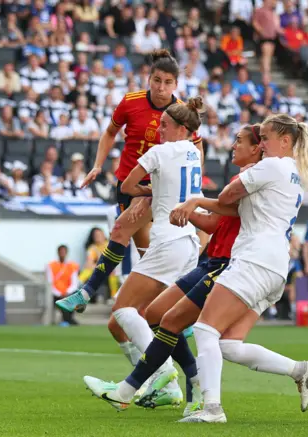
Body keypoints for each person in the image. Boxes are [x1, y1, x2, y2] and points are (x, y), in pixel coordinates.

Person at [170, 113, 308, 423]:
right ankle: (299, 370)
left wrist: (197, 199)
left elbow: (227, 196)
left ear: (285, 141)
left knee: (204, 329)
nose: (261, 144)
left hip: (256, 258)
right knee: (228, 344)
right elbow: (233, 206)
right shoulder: (295, 172)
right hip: (276, 267)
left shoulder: (271, 165)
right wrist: (203, 203)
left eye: (265, 138)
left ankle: (212, 409)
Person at [57, 49, 203, 316]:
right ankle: (176, 314)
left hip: (154, 190)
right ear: (148, 79)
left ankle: (88, 291)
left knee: (120, 232)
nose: (161, 88)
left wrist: (152, 194)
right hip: (128, 184)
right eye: (157, 80)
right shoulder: (131, 102)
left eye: (168, 82)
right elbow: (110, 132)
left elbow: (196, 152)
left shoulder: (181, 113)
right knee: (149, 254)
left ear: (176, 85)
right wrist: (98, 165)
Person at [84, 97, 206, 408]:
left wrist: (147, 191)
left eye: (164, 125)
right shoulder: (193, 151)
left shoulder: (159, 152)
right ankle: (193, 382)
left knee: (123, 309)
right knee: (162, 319)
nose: (158, 129)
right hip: (189, 241)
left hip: (166, 240)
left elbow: (126, 185)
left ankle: (162, 373)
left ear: (180, 128)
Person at [46, 245, 80, 326]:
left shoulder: (72, 266)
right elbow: (50, 282)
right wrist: (59, 293)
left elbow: (74, 284)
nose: (62, 253)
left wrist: (66, 292)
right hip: (56, 293)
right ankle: (68, 320)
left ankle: (68, 320)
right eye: (61, 252)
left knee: (73, 298)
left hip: (68, 293)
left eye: (64, 252)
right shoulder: (51, 265)